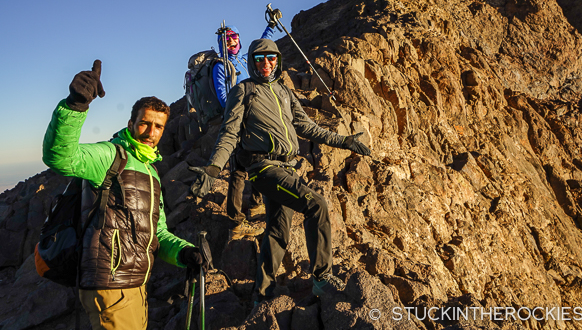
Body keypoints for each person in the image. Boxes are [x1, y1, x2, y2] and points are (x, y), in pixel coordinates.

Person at [189, 38, 371, 302]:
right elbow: (228, 134)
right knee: (316, 204)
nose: (266, 63)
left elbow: (308, 127)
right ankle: (321, 277)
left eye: (271, 58)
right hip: (263, 168)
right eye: (260, 59)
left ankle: (263, 292)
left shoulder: (284, 92)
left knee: (277, 231)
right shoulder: (244, 90)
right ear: (251, 61)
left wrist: (344, 141)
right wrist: (213, 169)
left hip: (286, 168)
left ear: (278, 60)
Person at [43, 60, 206, 330]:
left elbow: (157, 233)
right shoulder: (111, 156)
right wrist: (75, 105)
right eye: (144, 124)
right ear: (131, 123)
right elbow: (60, 157)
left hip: (135, 285)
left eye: (158, 127)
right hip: (111, 285)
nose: (150, 133)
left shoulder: (150, 172)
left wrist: (183, 253)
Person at [210, 23, 275, 240]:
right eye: (228, 39)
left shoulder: (241, 59)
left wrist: (271, 27)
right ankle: (236, 221)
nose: (233, 41)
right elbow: (222, 97)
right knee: (238, 171)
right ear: (222, 43)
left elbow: (260, 47)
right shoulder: (221, 66)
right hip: (238, 122)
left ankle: (256, 205)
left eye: (235, 37)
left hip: (252, 119)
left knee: (259, 159)